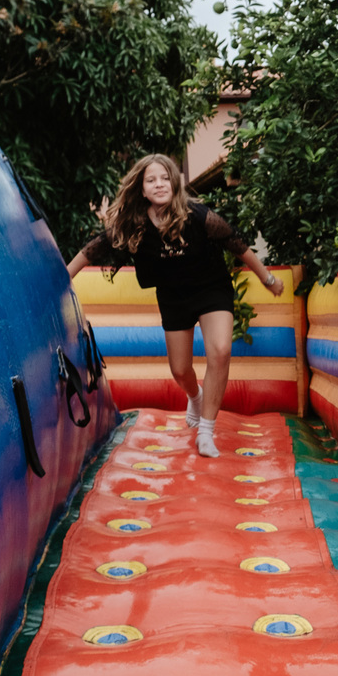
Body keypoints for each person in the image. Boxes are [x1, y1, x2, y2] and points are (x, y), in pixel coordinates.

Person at [67, 153, 284, 457]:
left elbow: (237, 243)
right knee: (180, 370)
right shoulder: (135, 224)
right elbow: (94, 248)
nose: (159, 184)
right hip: (173, 296)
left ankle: (206, 432)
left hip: (211, 288)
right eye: (151, 180)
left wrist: (267, 278)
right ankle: (194, 396)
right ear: (141, 190)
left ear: (175, 183)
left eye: (165, 178)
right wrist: (64, 278)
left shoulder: (197, 215)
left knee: (220, 350)